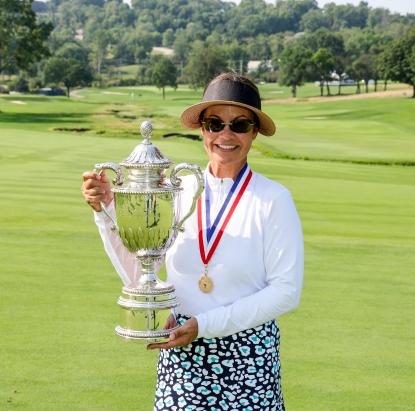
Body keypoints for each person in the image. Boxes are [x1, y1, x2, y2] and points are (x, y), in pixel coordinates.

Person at [81, 73, 304, 410]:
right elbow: (144, 270)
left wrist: (204, 326)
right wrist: (107, 210)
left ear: (254, 132)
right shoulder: (179, 188)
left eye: (239, 124)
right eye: (215, 123)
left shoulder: (273, 199)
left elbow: (286, 291)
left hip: (248, 360)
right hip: (182, 356)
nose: (226, 135)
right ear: (202, 129)